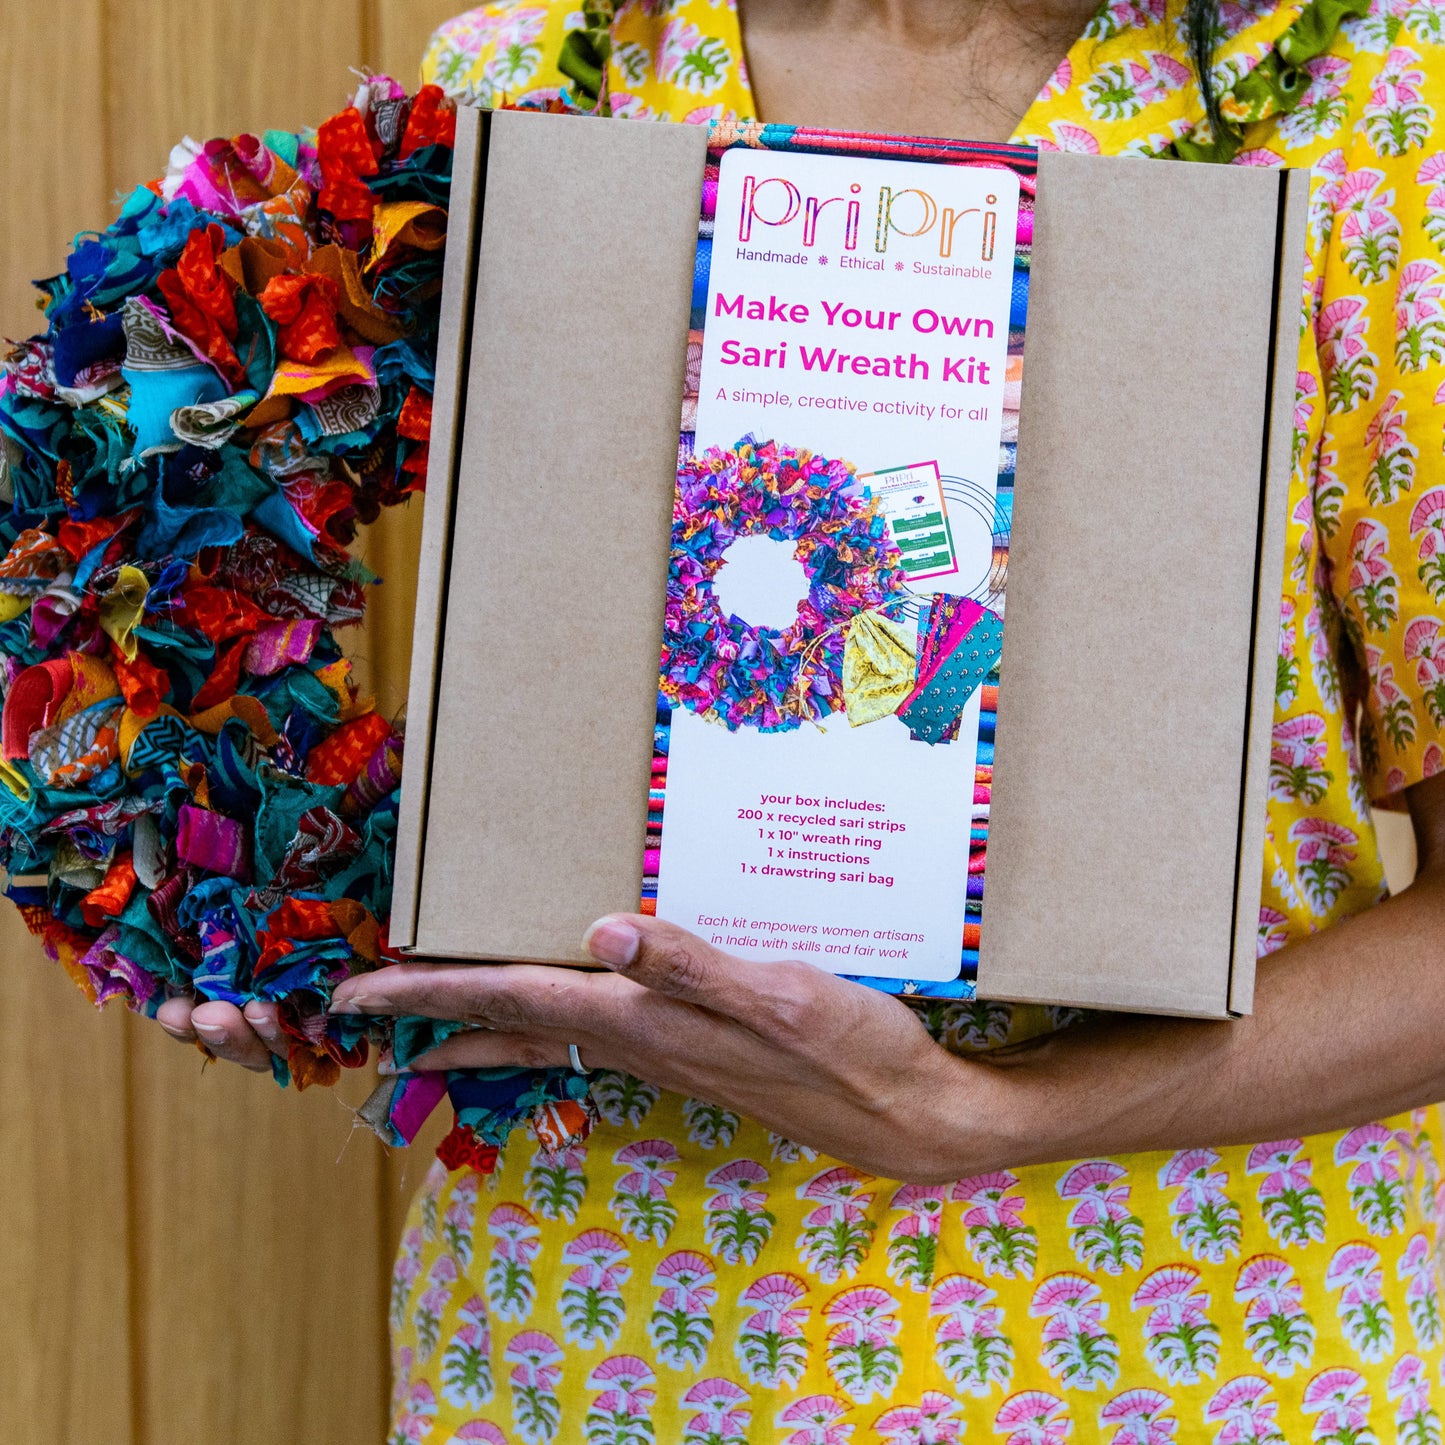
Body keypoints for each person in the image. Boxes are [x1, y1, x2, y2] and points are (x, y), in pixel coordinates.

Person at [160, 0, 1445, 1439]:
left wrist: (993, 1114)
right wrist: (263, 907)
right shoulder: (531, 82)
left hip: (1182, 1343)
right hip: (600, 1344)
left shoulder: (1370, 106)